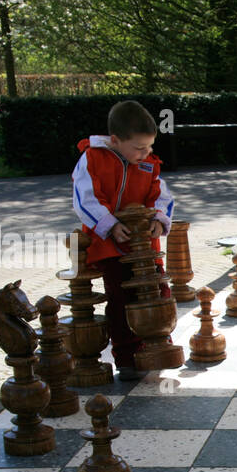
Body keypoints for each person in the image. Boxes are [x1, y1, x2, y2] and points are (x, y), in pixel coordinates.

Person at [72, 100, 175, 381]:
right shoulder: (92, 159)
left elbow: (161, 195)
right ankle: (127, 356)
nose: (146, 153)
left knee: (159, 291)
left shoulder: (148, 164)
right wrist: (110, 225)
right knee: (121, 298)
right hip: (108, 244)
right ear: (115, 140)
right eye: (139, 148)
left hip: (144, 245)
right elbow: (86, 199)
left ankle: (159, 343)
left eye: (150, 147)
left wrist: (158, 219)